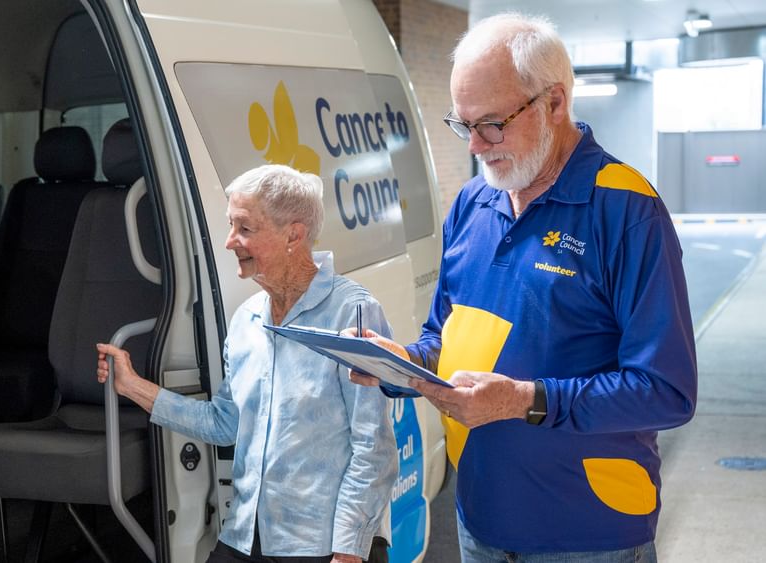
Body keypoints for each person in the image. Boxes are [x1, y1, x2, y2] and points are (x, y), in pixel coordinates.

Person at [349, 13, 697, 563]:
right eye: (463, 125)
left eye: (492, 124)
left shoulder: (627, 210)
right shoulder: (472, 203)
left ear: (554, 102)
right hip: (481, 522)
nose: (476, 146)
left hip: (589, 533)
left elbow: (666, 391)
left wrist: (526, 401)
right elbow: (445, 337)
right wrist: (402, 364)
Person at [97, 164, 397, 563]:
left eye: (245, 228)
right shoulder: (247, 319)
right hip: (246, 535)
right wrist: (132, 385)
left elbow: (374, 449)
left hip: (323, 545)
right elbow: (224, 424)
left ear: (293, 235)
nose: (229, 241)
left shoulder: (352, 313)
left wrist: (348, 552)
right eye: (230, 226)